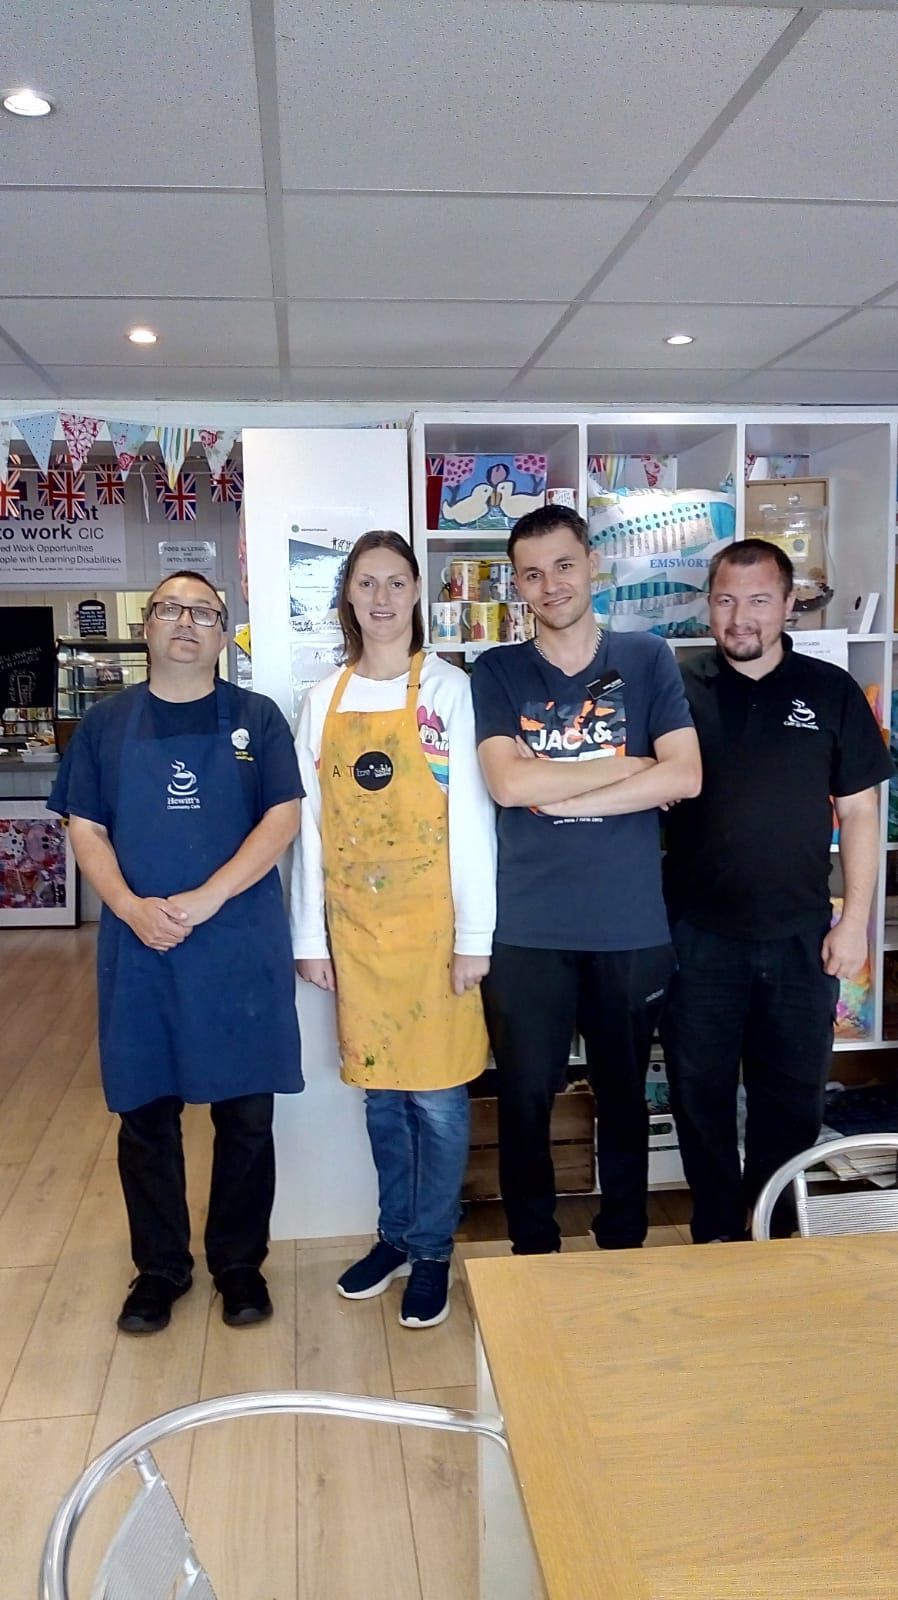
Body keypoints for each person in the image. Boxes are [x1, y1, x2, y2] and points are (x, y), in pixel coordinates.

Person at [48, 570, 303, 1333]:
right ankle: (159, 1269)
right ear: (147, 627)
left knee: (247, 1115)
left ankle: (239, 1263)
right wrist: (130, 907)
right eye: (170, 609)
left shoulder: (257, 719)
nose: (186, 622)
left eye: (203, 612)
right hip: (141, 948)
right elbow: (85, 828)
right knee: (145, 1115)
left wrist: (207, 898)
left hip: (237, 944)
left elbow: (282, 819)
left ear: (223, 633)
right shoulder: (105, 725)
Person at [471, 505, 701, 1255]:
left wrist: (560, 791)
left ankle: (623, 1241)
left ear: (592, 566)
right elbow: (508, 785)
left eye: (564, 566)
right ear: (517, 584)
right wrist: (630, 768)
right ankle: (533, 1250)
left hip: (628, 925)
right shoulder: (497, 670)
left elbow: (686, 776)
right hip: (527, 929)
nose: (551, 585)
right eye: (532, 574)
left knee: (624, 1097)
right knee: (524, 1099)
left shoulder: (647, 658)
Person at [661, 538, 894, 1241]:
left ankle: (776, 1240)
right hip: (696, 938)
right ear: (709, 605)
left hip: (800, 938)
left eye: (759, 600)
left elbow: (860, 812)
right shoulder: (678, 689)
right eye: (726, 600)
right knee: (698, 1099)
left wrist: (854, 922)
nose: (741, 618)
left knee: (790, 1105)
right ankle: (715, 1235)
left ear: (790, 604)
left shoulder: (830, 691)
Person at [292, 530, 495, 1328]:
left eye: (396, 582)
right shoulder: (323, 700)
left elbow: (472, 821)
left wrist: (475, 937)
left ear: (417, 593)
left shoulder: (448, 691)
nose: (381, 598)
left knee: (438, 1103)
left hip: (435, 936)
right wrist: (309, 938)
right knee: (382, 1101)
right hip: (358, 938)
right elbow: (309, 831)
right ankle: (395, 1237)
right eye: (367, 583)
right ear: (348, 595)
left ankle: (433, 1250)